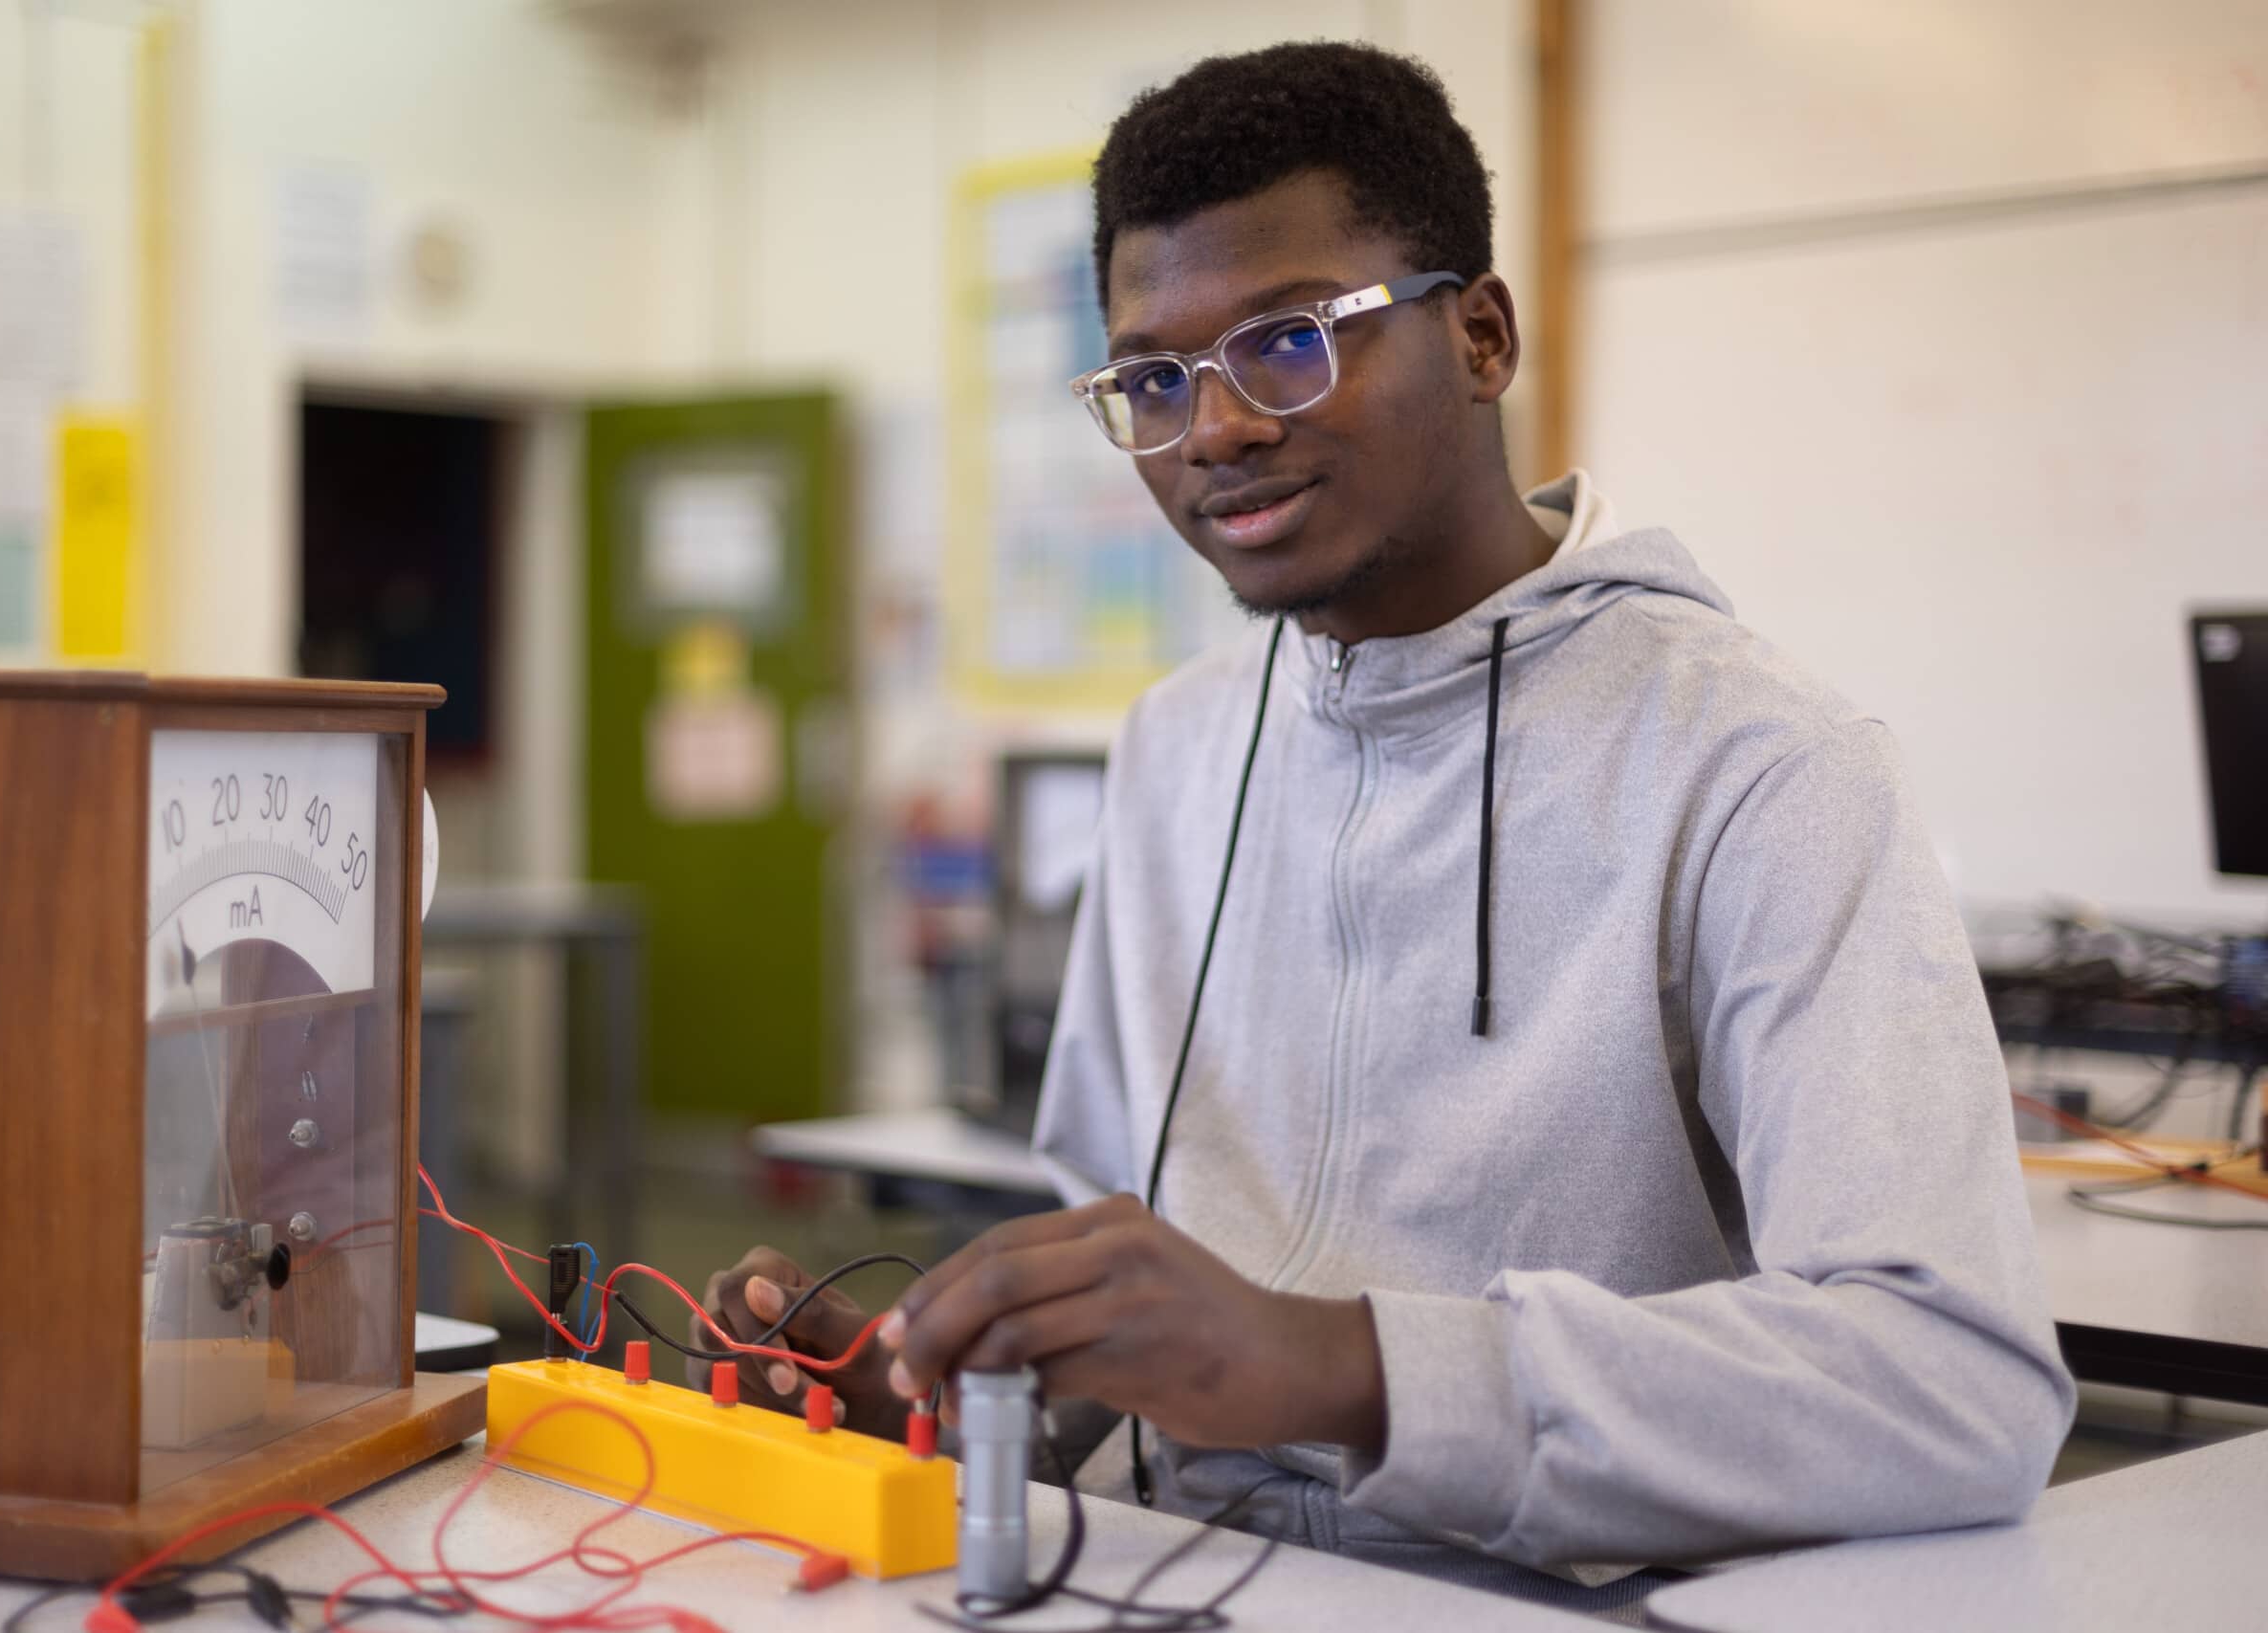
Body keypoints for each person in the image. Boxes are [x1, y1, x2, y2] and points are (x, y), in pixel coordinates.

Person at [693, 40, 2070, 1609]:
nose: (1211, 429)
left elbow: (1952, 1387)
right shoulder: (1176, 752)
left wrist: (1351, 1366)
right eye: (1152, 380)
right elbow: (1127, 1302)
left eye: (1287, 342)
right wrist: (950, 1401)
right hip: (1168, 1581)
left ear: (1480, 335)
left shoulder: (1761, 766)